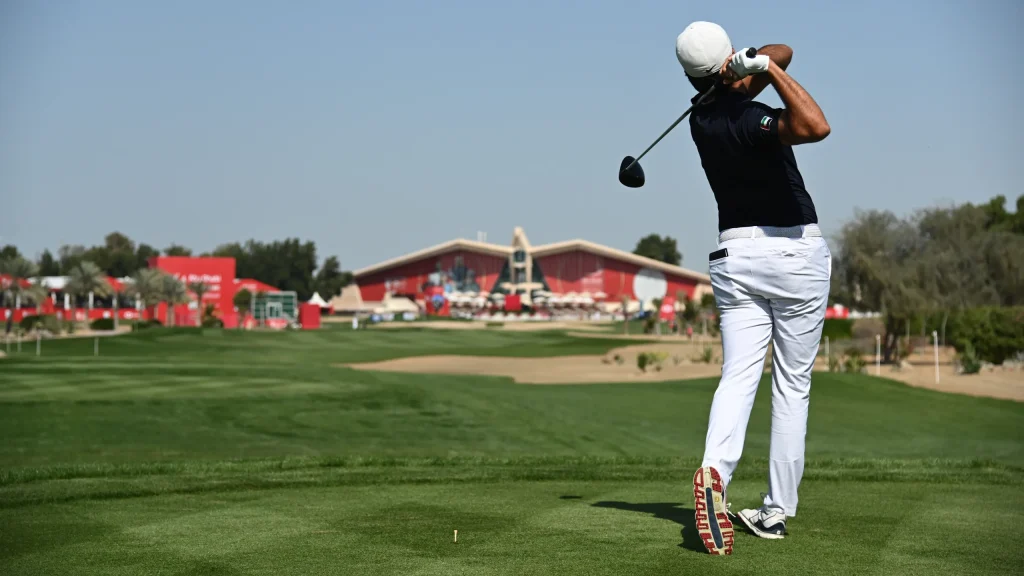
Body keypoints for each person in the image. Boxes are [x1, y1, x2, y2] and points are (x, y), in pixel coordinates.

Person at [674, 21, 832, 555]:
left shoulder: (702, 115)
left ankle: (714, 472)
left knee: (739, 376)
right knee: (792, 385)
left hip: (735, 257)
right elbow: (815, 126)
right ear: (726, 68)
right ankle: (775, 511)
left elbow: (783, 46)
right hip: (793, 253)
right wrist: (764, 69)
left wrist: (752, 64)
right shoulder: (748, 116)